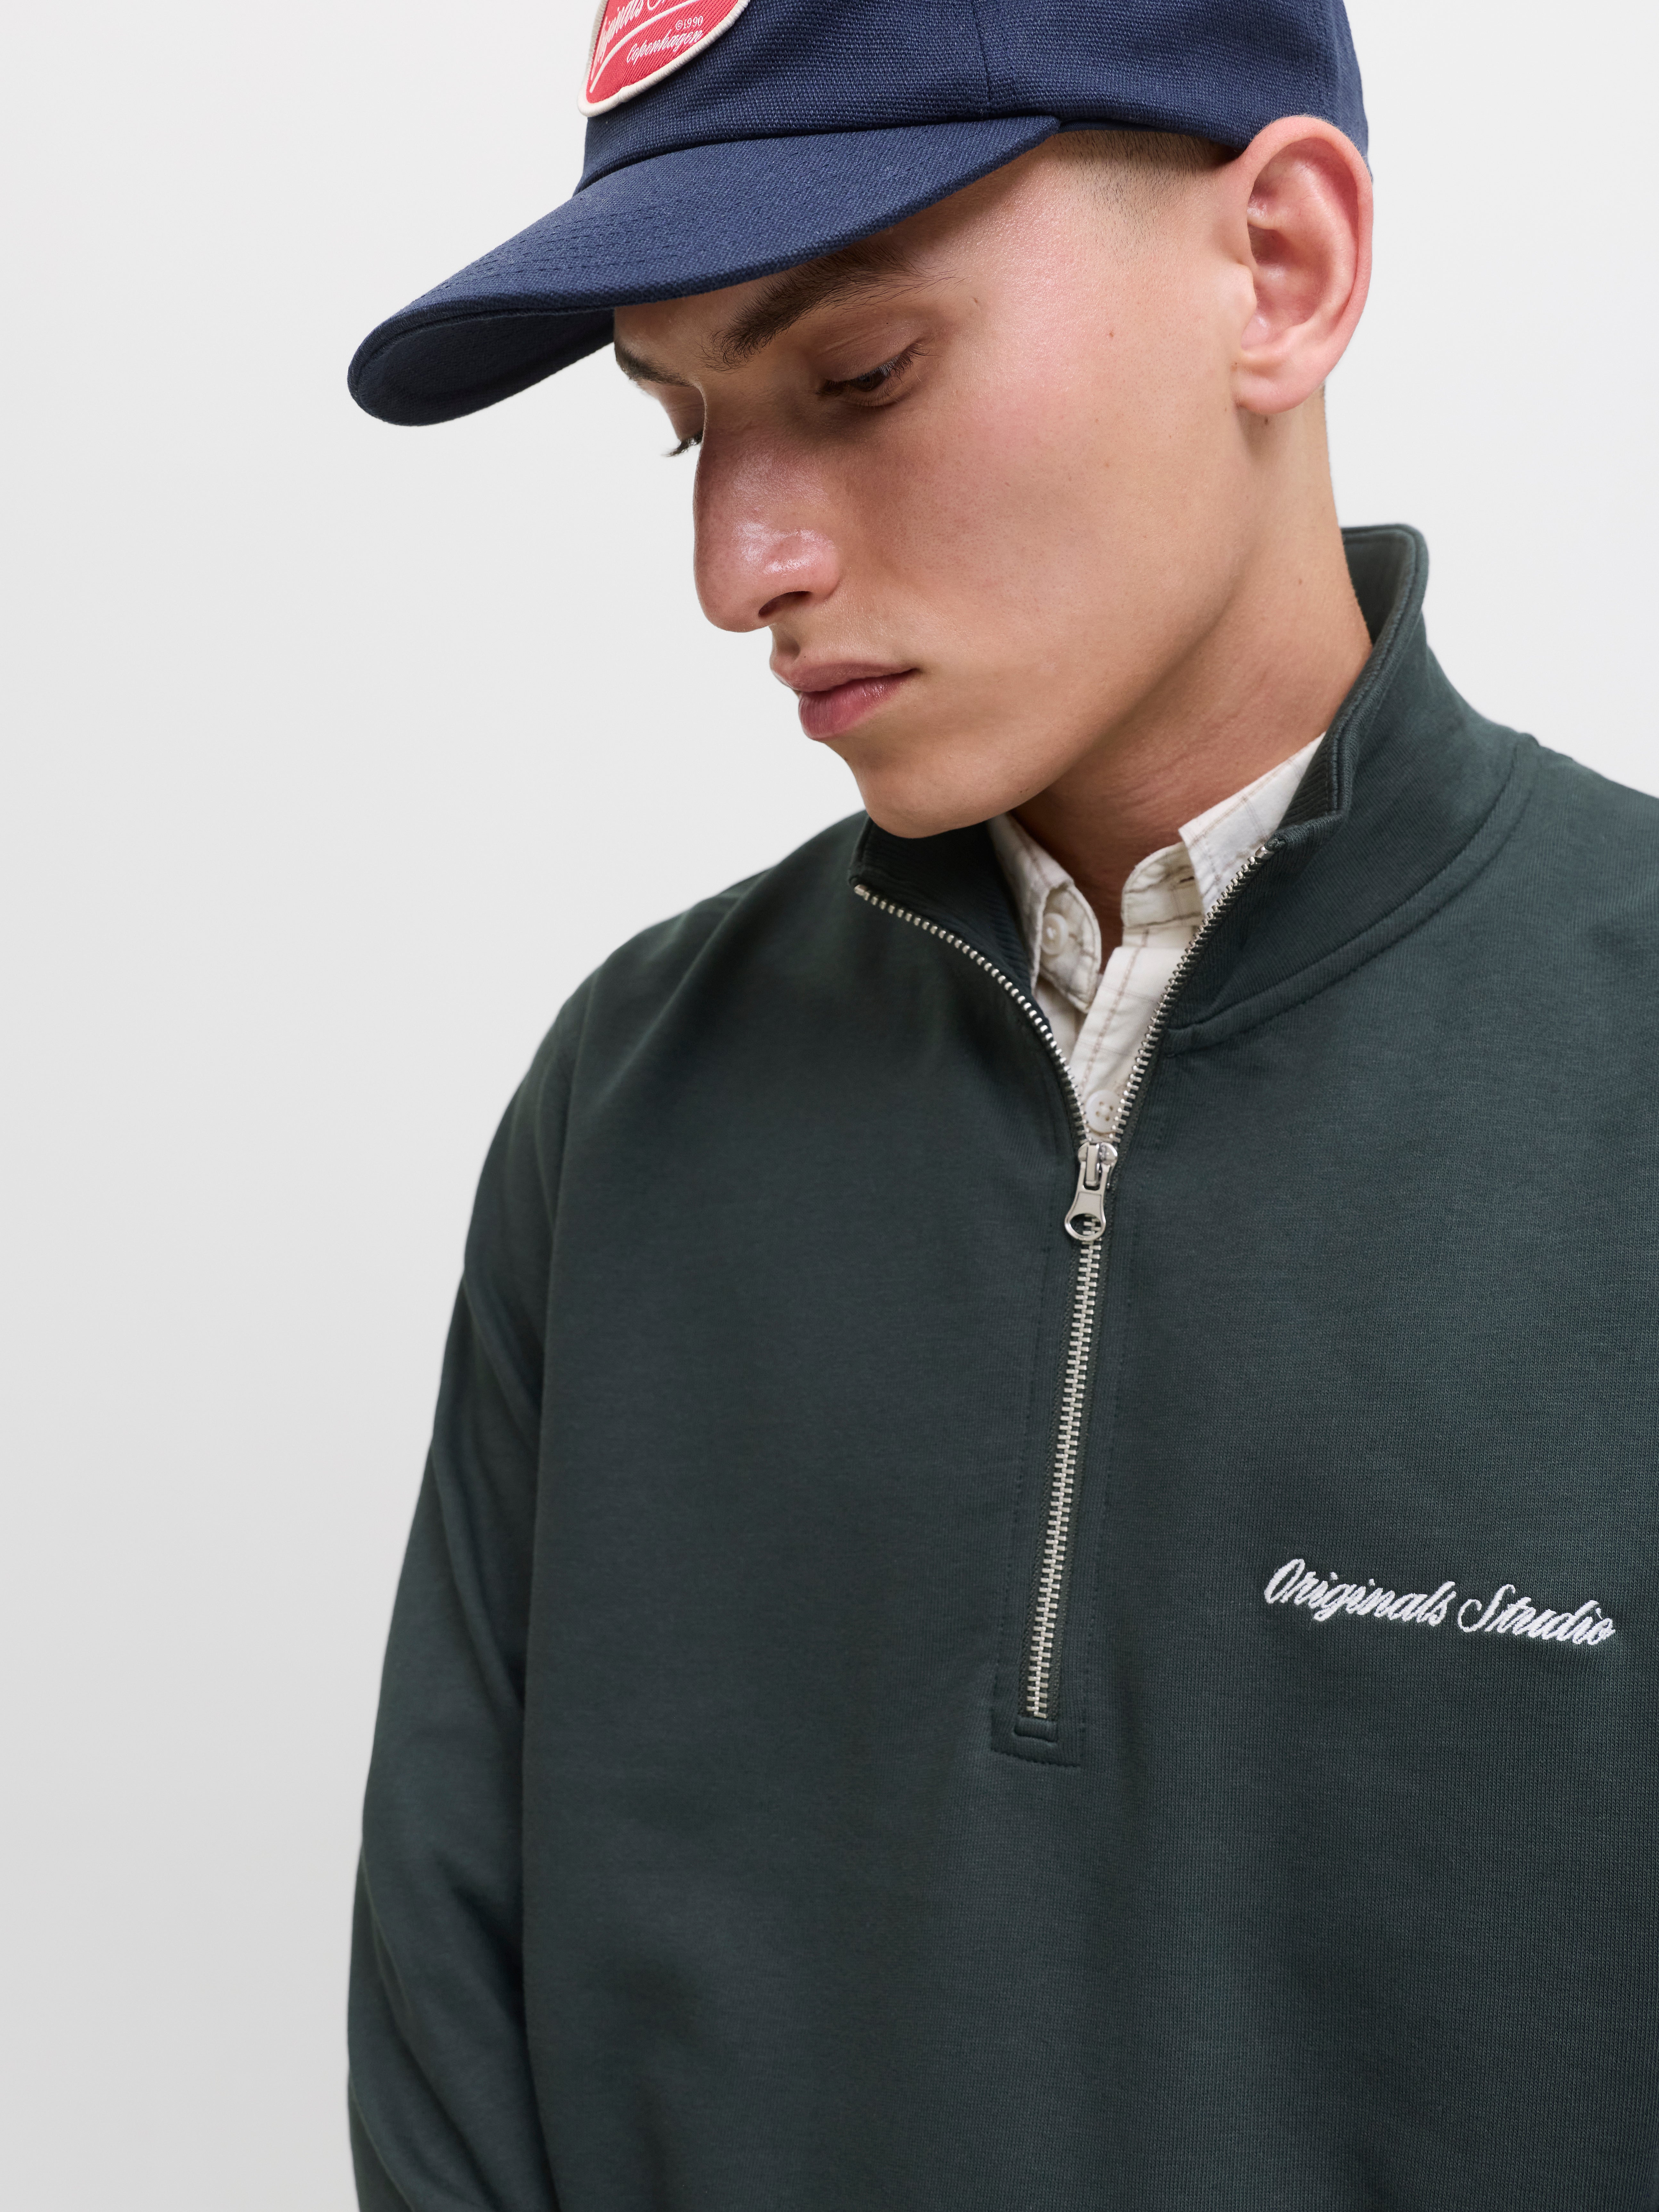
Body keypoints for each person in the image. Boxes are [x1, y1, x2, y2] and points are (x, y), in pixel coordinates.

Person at [345, 3, 1659, 2207]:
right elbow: (452, 2075)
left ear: (1281, 268)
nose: (739, 569)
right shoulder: (632, 1106)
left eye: (861, 375)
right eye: (683, 428)